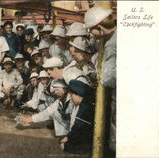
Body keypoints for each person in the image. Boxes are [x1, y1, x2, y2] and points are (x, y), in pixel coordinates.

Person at [84, 5, 116, 151]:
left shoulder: (111, 44)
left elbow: (108, 78)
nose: (91, 34)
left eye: (92, 30)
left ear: (100, 27)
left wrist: (99, 76)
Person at [59, 80, 95, 154]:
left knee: (63, 146)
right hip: (88, 135)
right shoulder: (86, 102)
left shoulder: (84, 106)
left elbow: (78, 126)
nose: (71, 99)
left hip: (89, 140)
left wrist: (68, 137)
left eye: (71, 95)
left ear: (77, 94)